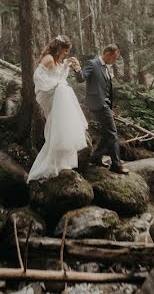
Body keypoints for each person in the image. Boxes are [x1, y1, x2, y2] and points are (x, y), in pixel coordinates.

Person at [27, 35, 89, 183]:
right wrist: (57, 86)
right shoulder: (48, 59)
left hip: (56, 96)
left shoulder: (56, 60)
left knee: (60, 128)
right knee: (54, 128)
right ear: (60, 48)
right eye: (66, 50)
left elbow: (59, 76)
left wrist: (66, 65)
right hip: (48, 96)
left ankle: (60, 162)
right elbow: (39, 78)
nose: (66, 53)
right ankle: (49, 163)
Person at [74, 44, 128, 174]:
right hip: (97, 104)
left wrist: (110, 107)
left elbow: (107, 90)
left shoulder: (106, 67)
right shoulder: (92, 63)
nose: (114, 61)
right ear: (107, 54)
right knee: (112, 132)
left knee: (106, 132)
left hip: (105, 105)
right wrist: (76, 69)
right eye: (114, 58)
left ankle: (96, 157)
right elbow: (81, 79)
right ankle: (116, 164)